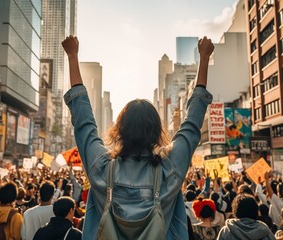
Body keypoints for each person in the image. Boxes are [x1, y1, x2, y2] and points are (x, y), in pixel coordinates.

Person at [62, 35, 214, 239]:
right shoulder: (169, 167)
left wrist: (72, 56)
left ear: (120, 130)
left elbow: (84, 123)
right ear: (156, 131)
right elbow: (192, 123)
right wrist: (204, 59)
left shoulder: (102, 167)